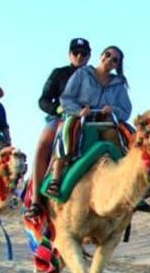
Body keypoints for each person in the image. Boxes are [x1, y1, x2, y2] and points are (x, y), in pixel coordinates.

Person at [45, 45, 131, 198]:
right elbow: (66, 98)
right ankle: (56, 179)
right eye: (108, 55)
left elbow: (126, 109)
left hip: (106, 121)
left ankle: (132, 179)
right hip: (81, 117)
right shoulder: (83, 74)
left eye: (115, 59)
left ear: (117, 65)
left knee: (129, 136)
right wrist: (79, 110)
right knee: (68, 132)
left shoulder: (118, 84)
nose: (110, 59)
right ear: (101, 55)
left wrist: (113, 110)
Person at [25, 37, 91, 218]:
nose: (80, 56)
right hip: (61, 118)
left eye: (84, 53)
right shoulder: (59, 74)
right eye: (76, 53)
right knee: (43, 147)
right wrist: (58, 108)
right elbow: (43, 99)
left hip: (91, 119)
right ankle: (37, 200)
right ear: (70, 55)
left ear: (89, 56)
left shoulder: (95, 77)